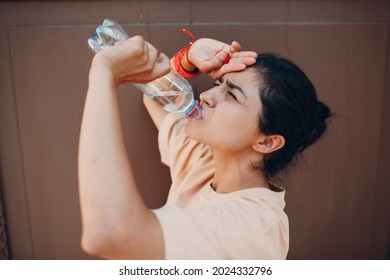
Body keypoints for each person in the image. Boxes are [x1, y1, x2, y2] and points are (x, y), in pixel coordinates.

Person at [78, 34, 331, 260]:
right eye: (216, 85)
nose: (206, 96)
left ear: (267, 141)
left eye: (231, 95)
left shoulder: (252, 228)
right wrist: (187, 60)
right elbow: (154, 98)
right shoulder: (203, 160)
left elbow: (109, 234)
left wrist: (103, 73)